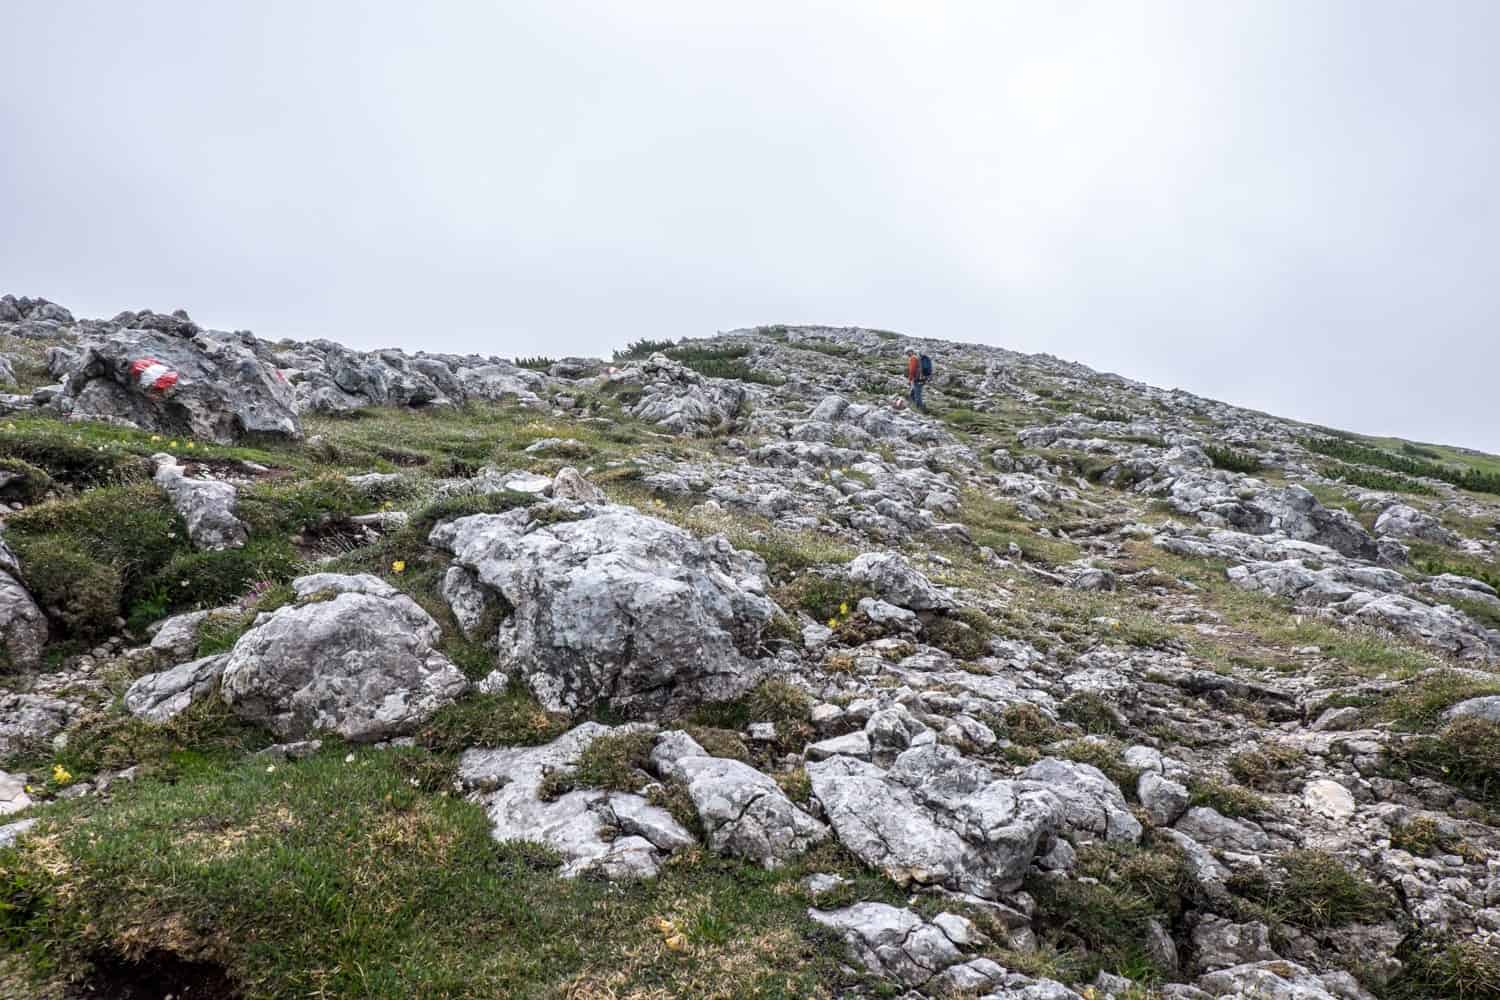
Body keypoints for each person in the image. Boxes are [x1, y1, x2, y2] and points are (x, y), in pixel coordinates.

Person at [905, 347, 928, 413]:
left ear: (910, 352)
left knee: (917, 394)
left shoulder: (913, 358)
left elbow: (912, 370)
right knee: (913, 393)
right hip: (921, 378)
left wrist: (910, 379)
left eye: (907, 353)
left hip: (917, 379)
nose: (907, 354)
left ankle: (920, 408)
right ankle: (914, 405)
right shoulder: (917, 358)